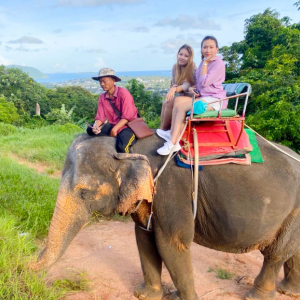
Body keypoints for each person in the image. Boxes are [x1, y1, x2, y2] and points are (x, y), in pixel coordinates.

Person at [157, 36, 226, 155]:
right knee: (177, 101)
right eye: (205, 47)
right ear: (201, 49)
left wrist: (204, 63)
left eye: (211, 47)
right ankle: (171, 132)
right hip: (204, 97)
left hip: (215, 99)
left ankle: (173, 143)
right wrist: (193, 88)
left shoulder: (217, 63)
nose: (207, 50)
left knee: (181, 107)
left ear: (217, 49)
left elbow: (204, 82)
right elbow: (199, 83)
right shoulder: (203, 63)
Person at [87, 68, 138, 153]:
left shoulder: (123, 93)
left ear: (113, 80)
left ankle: (134, 163)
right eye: (100, 82)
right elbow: (100, 117)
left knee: (122, 147)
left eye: (104, 81)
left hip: (127, 126)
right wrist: (96, 126)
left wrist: (114, 130)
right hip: (113, 125)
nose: (102, 84)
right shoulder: (102, 97)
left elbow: (127, 116)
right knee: (90, 130)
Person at [156, 44, 196, 141]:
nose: (182, 57)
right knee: (165, 102)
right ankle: (162, 128)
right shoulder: (175, 67)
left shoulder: (192, 67)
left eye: (186, 56)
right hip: (181, 95)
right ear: (177, 54)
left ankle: (166, 131)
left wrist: (175, 89)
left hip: (191, 95)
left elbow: (187, 84)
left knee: (171, 102)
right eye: (180, 54)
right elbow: (173, 83)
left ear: (190, 58)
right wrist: (173, 87)